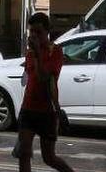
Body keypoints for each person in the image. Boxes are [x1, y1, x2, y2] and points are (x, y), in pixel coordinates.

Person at [17, 12, 74, 172]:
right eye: (32, 32)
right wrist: (34, 53)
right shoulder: (30, 53)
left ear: (47, 32)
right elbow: (31, 76)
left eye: (38, 32)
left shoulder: (55, 51)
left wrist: (37, 54)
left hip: (47, 110)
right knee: (24, 153)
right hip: (28, 108)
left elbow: (43, 76)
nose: (34, 36)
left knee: (49, 157)